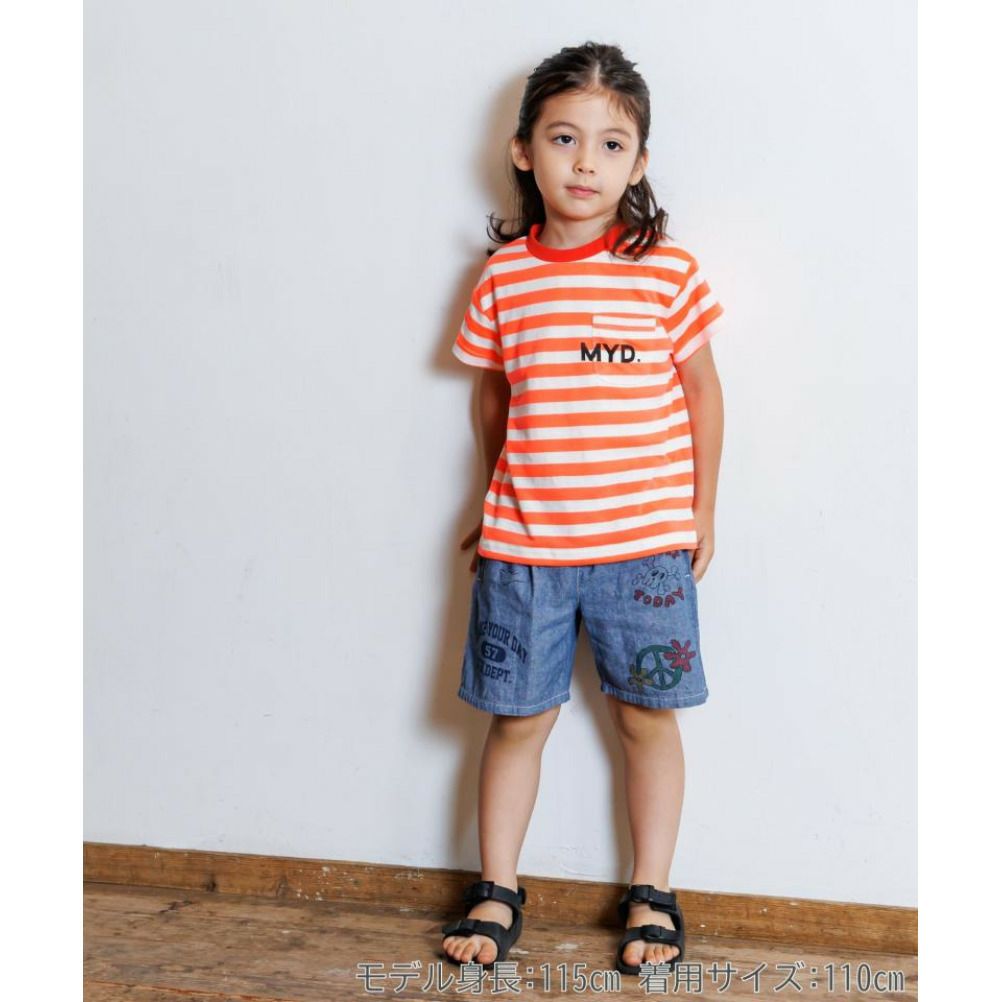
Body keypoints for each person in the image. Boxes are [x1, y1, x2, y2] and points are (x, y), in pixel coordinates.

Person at [442, 41, 726, 977]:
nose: (585, 163)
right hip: (527, 548)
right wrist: (494, 495)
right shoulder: (504, 278)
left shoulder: (665, 272)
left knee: (647, 719)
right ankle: (497, 887)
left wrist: (702, 510)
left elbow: (702, 391)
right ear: (524, 150)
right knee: (518, 721)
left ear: (638, 165)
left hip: (644, 548)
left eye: (611, 145)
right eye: (564, 138)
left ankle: (653, 892)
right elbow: (494, 396)